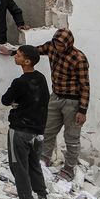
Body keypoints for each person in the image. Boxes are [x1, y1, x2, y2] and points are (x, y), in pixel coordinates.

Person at [34, 29, 90, 181]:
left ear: (68, 43)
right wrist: (14, 51)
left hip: (73, 102)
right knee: (47, 130)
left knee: (71, 137)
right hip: (56, 97)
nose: (58, 46)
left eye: (61, 44)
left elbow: (85, 86)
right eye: (56, 43)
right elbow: (35, 51)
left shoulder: (79, 58)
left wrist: (82, 110)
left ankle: (69, 168)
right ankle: (44, 159)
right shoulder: (51, 47)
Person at [2, 45, 50, 199]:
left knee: (19, 167)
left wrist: (16, 103)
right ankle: (43, 197)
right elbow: (43, 102)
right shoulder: (42, 79)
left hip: (20, 131)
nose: (16, 56)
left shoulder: (19, 82)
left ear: (27, 61)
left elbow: (5, 100)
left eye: (19, 55)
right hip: (37, 132)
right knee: (33, 164)